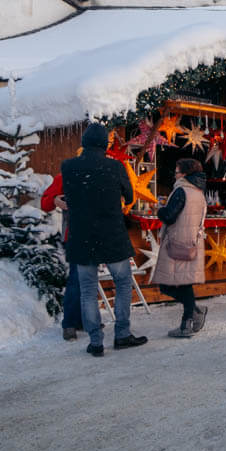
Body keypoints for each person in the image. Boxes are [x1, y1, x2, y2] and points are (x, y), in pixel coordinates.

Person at [61, 123, 147, 356]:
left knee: (87, 290)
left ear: (84, 142)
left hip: (80, 235)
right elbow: (129, 195)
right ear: (105, 144)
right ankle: (122, 334)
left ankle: (96, 341)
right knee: (123, 282)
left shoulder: (68, 166)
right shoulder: (114, 166)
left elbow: (67, 196)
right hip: (111, 234)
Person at [154, 158, 208, 338]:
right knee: (184, 284)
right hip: (191, 243)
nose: (175, 175)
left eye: (177, 172)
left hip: (176, 243)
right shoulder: (199, 192)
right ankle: (192, 315)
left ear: (184, 174)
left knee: (168, 285)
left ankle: (189, 320)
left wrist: (159, 210)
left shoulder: (181, 191)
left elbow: (169, 216)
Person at [39, 166, 82, 341]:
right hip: (73, 234)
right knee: (76, 278)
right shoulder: (66, 176)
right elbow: (45, 203)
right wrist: (56, 200)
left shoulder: (101, 172)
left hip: (93, 235)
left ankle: (81, 319)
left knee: (86, 278)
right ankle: (70, 323)